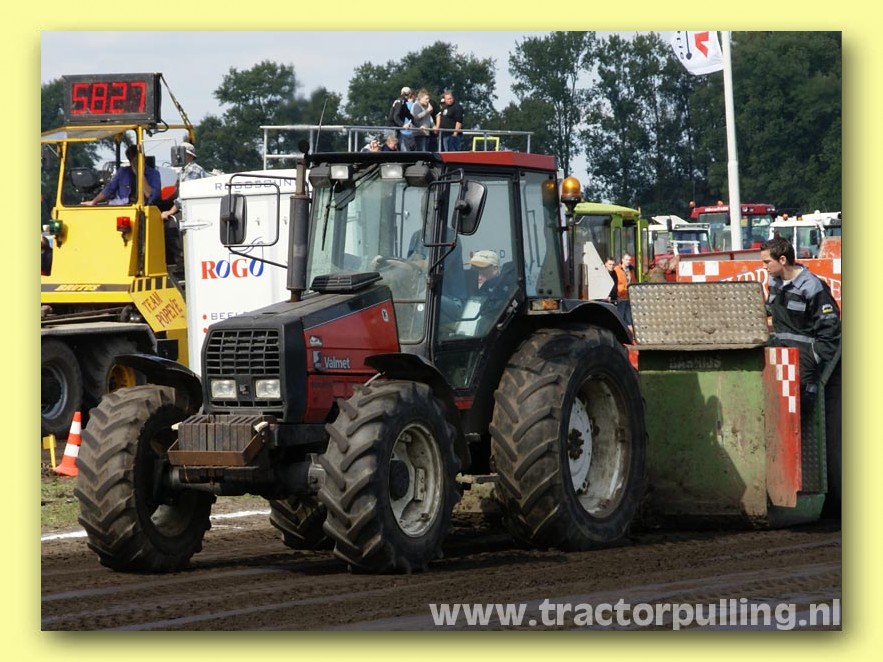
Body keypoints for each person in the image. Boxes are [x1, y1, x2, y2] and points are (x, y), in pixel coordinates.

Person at [760, 236, 841, 398]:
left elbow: (830, 329)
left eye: (767, 262)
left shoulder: (811, 286)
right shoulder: (775, 281)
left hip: (804, 362)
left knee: (801, 406)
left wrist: (813, 358)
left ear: (782, 260)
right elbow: (773, 308)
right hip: (781, 354)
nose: (764, 266)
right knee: (779, 403)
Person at [83, 144, 161, 206]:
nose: (136, 164)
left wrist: (140, 174)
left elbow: (151, 196)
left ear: (144, 158)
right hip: (122, 207)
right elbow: (109, 189)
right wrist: (94, 201)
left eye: (139, 160)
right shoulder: (122, 172)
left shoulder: (154, 174)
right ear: (130, 161)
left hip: (142, 209)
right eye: (134, 161)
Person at [161, 142, 208, 221]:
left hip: (192, 210)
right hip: (190, 207)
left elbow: (185, 195)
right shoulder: (184, 169)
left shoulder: (192, 170)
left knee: (168, 224)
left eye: (181, 154)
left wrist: (170, 211)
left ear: (190, 156)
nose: (178, 156)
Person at [613, 252, 634, 330]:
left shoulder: (631, 270)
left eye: (629, 260)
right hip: (621, 296)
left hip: (629, 296)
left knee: (629, 318)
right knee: (620, 316)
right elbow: (615, 282)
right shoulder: (617, 269)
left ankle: (630, 334)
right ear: (622, 260)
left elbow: (633, 281)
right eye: (626, 259)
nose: (628, 261)